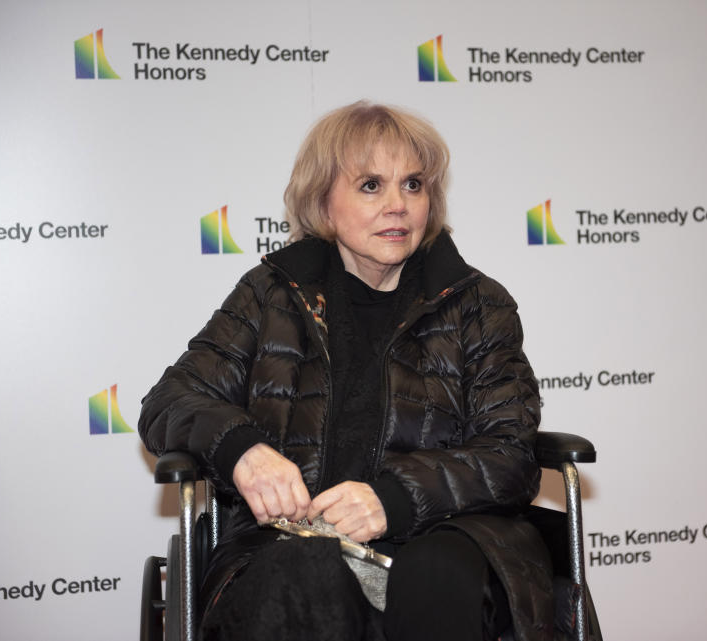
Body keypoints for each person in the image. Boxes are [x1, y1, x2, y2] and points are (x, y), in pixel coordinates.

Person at [139, 101, 553, 641]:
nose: (397, 206)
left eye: (412, 185)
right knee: (307, 575)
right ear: (323, 203)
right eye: (370, 186)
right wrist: (242, 449)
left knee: (437, 574)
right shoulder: (271, 295)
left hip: (443, 536)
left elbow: (511, 455)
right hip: (287, 546)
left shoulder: (478, 305)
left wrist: (394, 499)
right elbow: (170, 400)